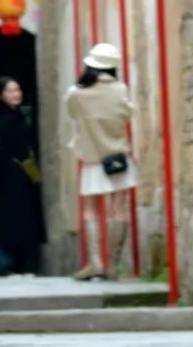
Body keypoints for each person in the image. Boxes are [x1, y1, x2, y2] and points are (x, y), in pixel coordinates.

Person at [65, 41, 136, 281]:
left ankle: (95, 262)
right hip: (117, 156)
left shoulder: (76, 93)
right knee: (119, 207)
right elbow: (127, 115)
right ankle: (113, 264)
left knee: (89, 209)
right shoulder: (120, 90)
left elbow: (72, 113)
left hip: (92, 157)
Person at [0, 76, 46, 277]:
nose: (16, 94)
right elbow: (4, 151)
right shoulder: (5, 119)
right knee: (12, 220)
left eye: (17, 89)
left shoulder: (18, 116)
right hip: (11, 176)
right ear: (1, 95)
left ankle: (16, 265)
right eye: (10, 91)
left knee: (21, 219)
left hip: (19, 174)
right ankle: (4, 266)